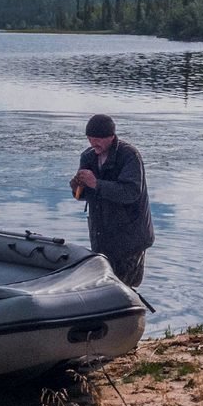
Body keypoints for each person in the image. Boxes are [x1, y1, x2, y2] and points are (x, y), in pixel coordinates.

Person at [69, 114, 154, 288]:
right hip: (102, 234)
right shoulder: (87, 157)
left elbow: (131, 193)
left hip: (130, 237)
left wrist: (96, 184)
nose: (94, 143)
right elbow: (84, 196)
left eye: (98, 139)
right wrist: (77, 188)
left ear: (111, 137)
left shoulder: (129, 156)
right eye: (90, 139)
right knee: (103, 285)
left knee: (122, 286)